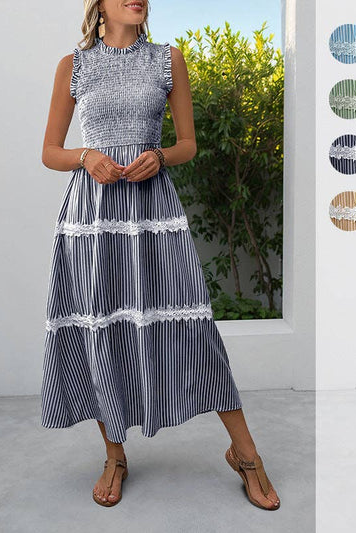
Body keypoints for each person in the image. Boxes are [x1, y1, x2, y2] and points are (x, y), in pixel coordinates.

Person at [40, 0, 280, 510]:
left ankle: (245, 454)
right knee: (100, 328)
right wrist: (86, 157)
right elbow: (50, 152)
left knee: (193, 325)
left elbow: (188, 143)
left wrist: (161, 155)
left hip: (154, 214)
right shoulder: (72, 66)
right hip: (93, 218)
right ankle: (115, 456)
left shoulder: (168, 59)